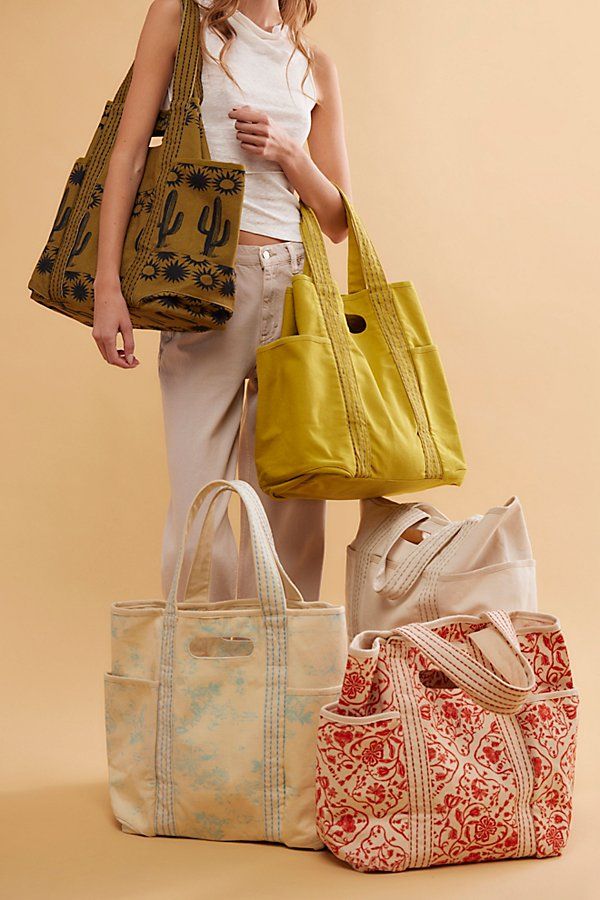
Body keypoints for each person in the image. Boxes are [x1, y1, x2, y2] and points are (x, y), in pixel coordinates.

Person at [92, 0, 351, 602]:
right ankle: (207, 679)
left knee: (291, 501)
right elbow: (128, 154)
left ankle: (287, 681)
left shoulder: (314, 63)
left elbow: (338, 217)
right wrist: (109, 288)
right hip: (207, 281)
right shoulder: (181, 22)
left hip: (295, 287)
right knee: (199, 504)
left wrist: (292, 154)